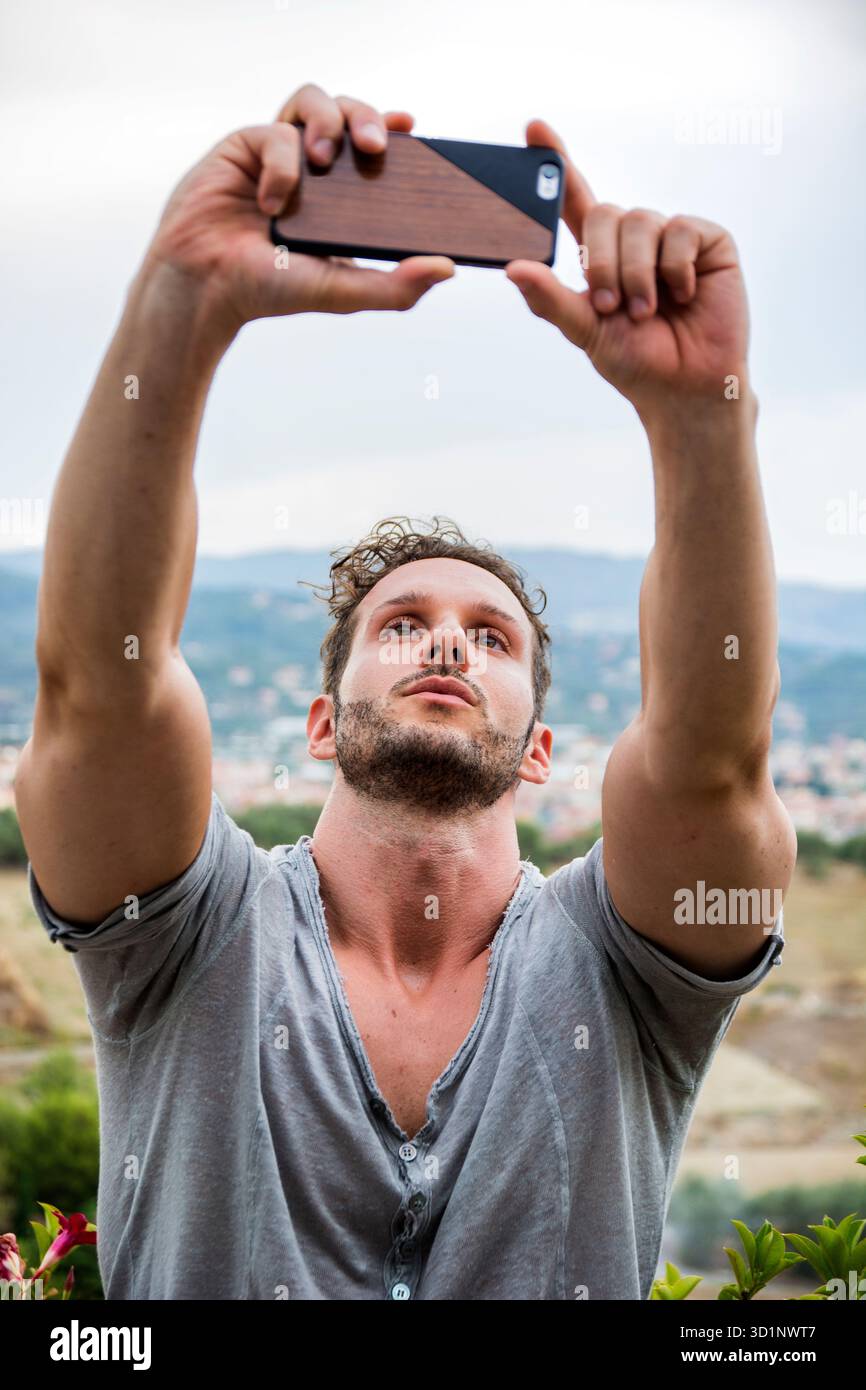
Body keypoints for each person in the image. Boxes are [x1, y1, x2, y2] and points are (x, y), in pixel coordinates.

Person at [15, 83, 796, 1301]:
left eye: (490, 638)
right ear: (322, 722)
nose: (447, 648)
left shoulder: (625, 966)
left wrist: (701, 420)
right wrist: (184, 300)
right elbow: (95, 696)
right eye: (404, 624)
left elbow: (709, 759)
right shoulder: (185, 935)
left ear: (538, 752)